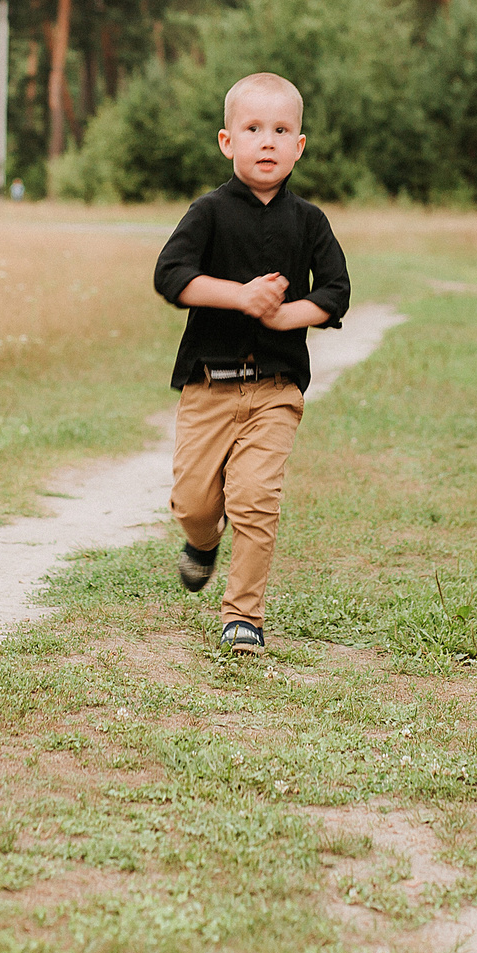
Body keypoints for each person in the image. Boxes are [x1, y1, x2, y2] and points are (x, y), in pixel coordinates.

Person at [151, 71, 351, 655]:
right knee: (195, 504)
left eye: (281, 129)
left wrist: (290, 315)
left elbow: (336, 289)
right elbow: (171, 276)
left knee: (256, 500)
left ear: (299, 146)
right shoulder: (208, 213)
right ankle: (201, 543)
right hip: (209, 385)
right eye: (253, 128)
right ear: (226, 141)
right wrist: (240, 296)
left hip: (275, 390)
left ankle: (244, 616)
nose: (267, 141)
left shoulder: (309, 221)